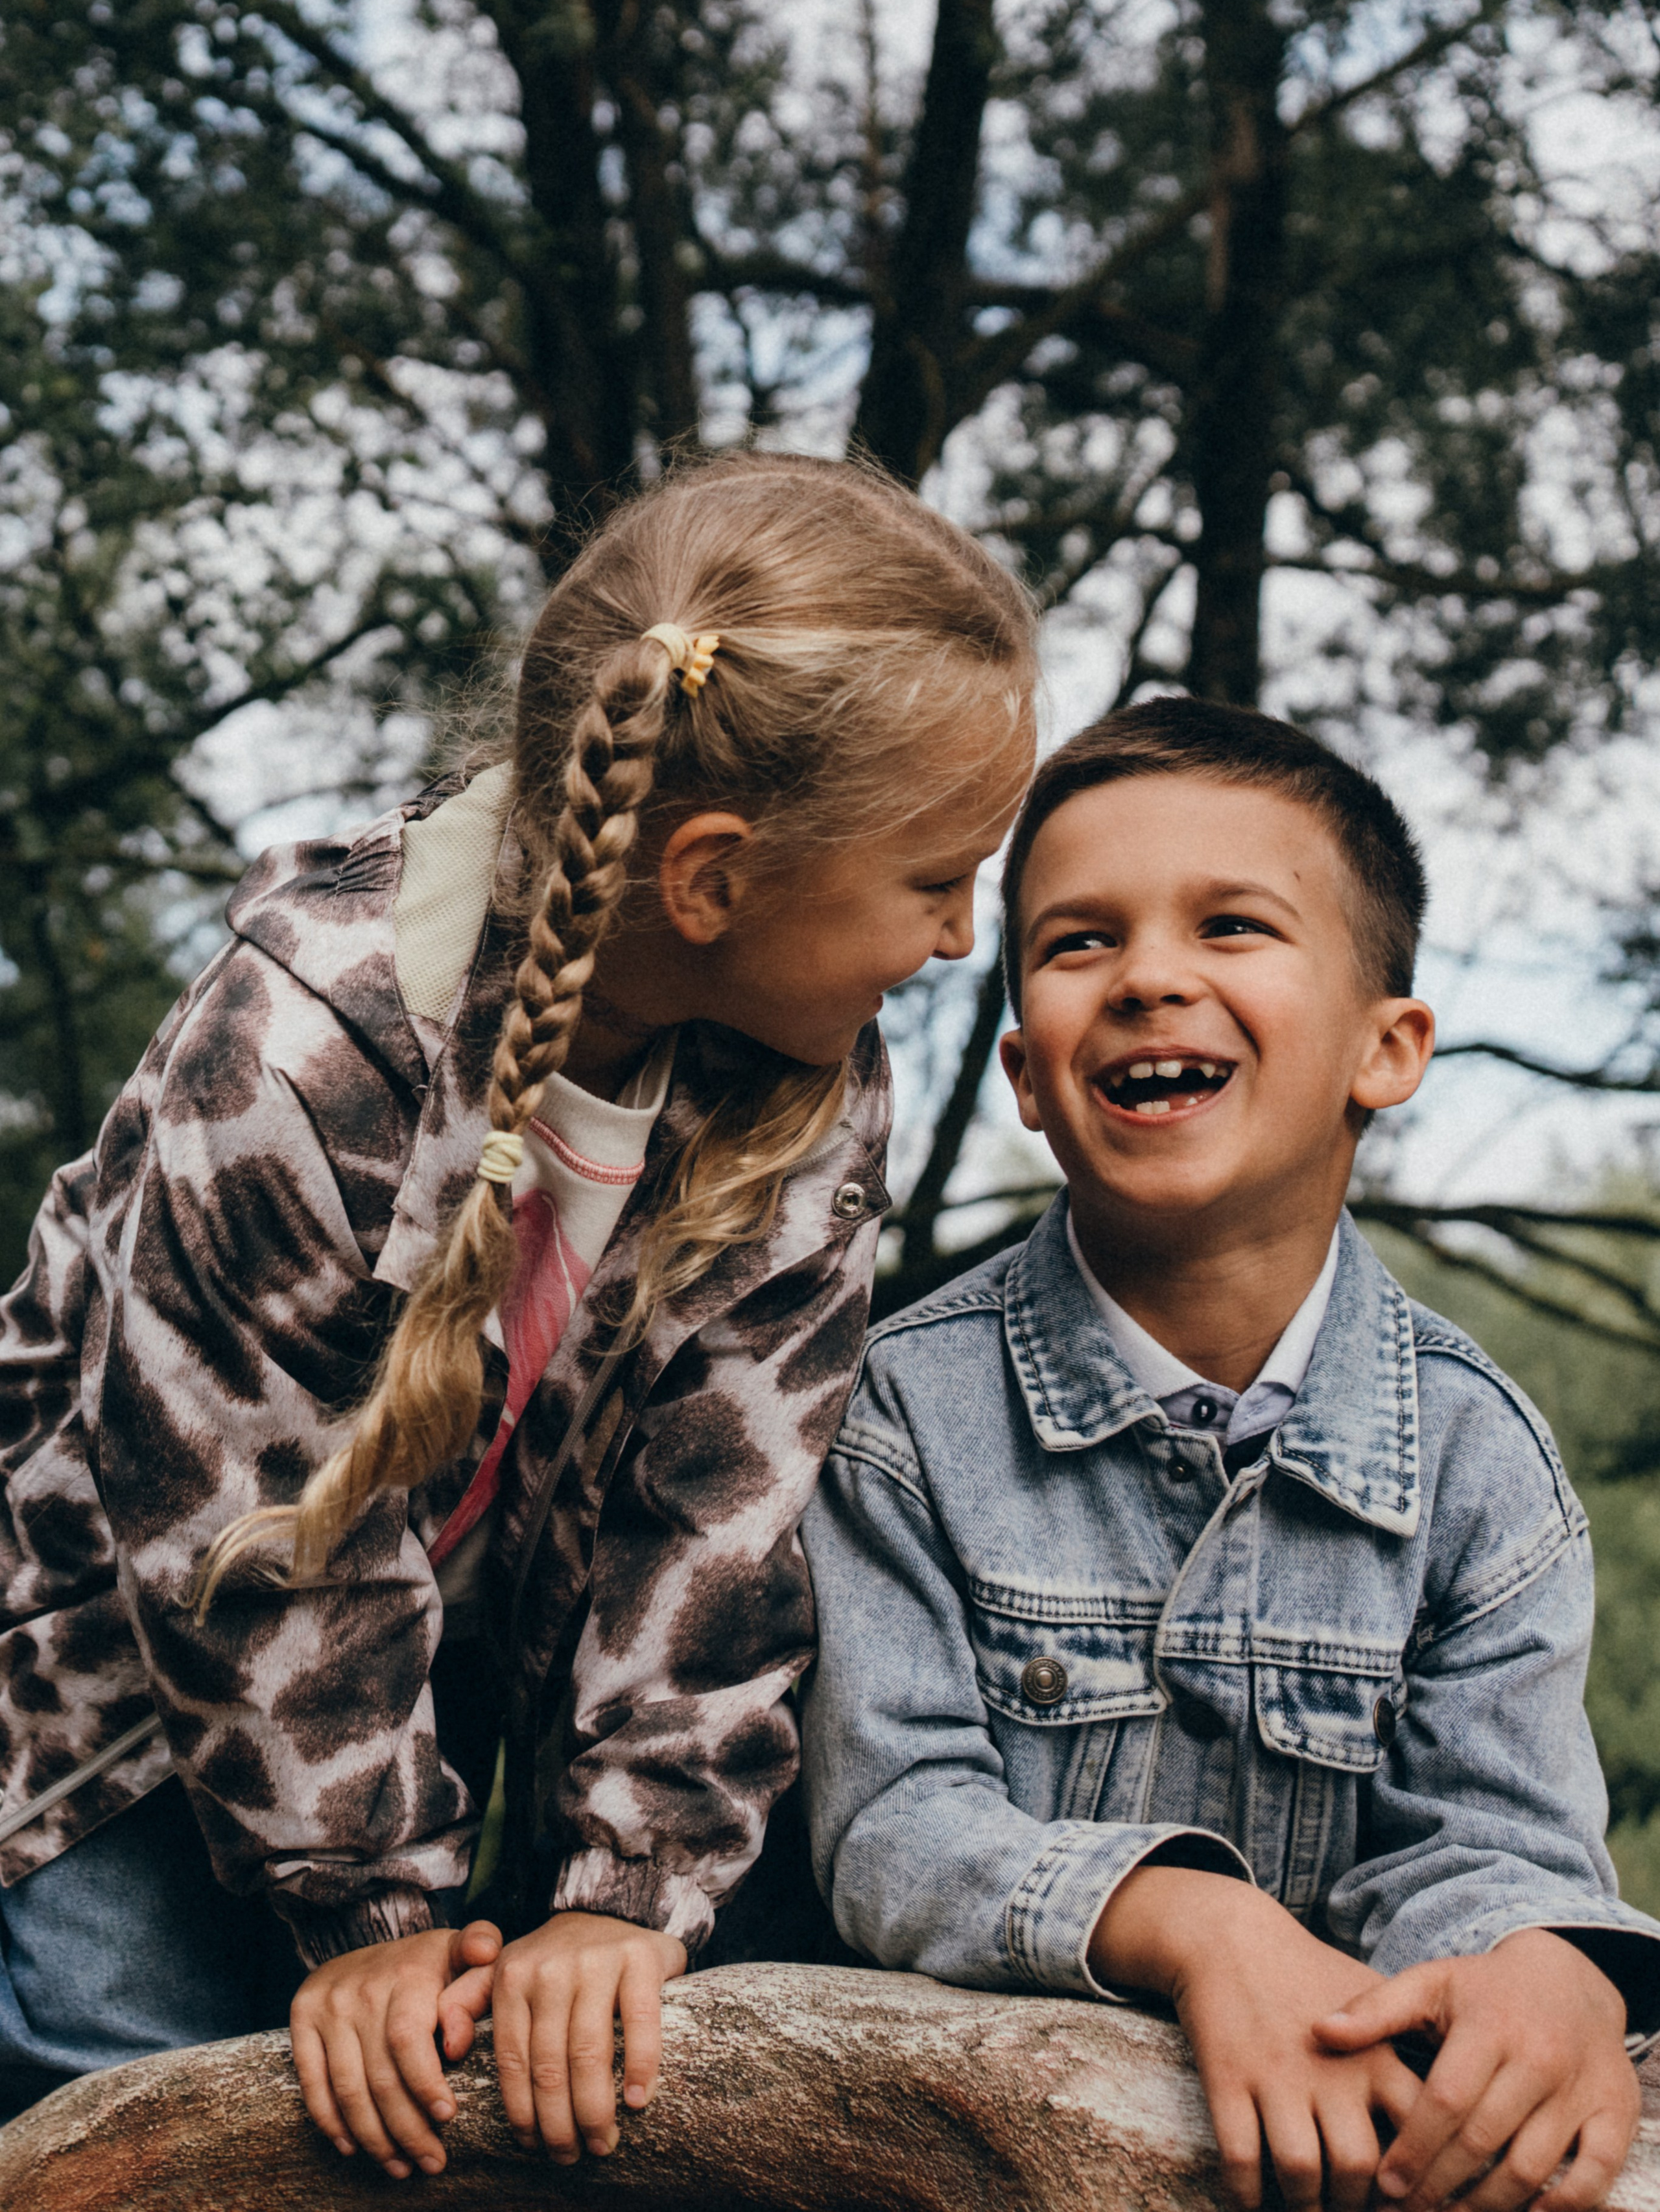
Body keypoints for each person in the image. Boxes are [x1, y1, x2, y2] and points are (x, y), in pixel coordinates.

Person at [0, 453, 1038, 2173]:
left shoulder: (806, 1088)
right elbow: (231, 1534)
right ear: (713, 881)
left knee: (431, 2127)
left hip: (429, 1707)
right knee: (143, 2112)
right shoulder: (301, 1055)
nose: (953, 940)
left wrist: (629, 1891)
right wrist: (368, 1906)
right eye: (939, 878)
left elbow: (726, 1520)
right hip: (107, 1710)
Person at [801, 697, 1660, 2212]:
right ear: (1021, 1073)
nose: (1145, 977)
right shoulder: (896, 1417)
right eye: (1076, 943)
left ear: (1383, 1050)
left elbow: (1482, 1836)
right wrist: (1198, 1923)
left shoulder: (1478, 1466)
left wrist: (1552, 1971)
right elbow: (893, 1827)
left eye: (1232, 926)